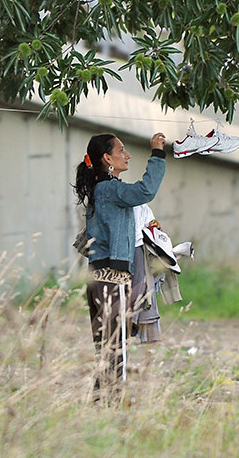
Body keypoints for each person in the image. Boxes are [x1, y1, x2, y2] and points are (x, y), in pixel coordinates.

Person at [73, 132, 166, 393]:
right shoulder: (111, 190)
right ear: (107, 158)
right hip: (112, 279)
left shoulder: (101, 190)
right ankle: (113, 405)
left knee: (106, 346)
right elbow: (145, 190)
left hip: (98, 277)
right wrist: (157, 153)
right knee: (116, 347)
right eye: (122, 150)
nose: (127, 155)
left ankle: (101, 402)